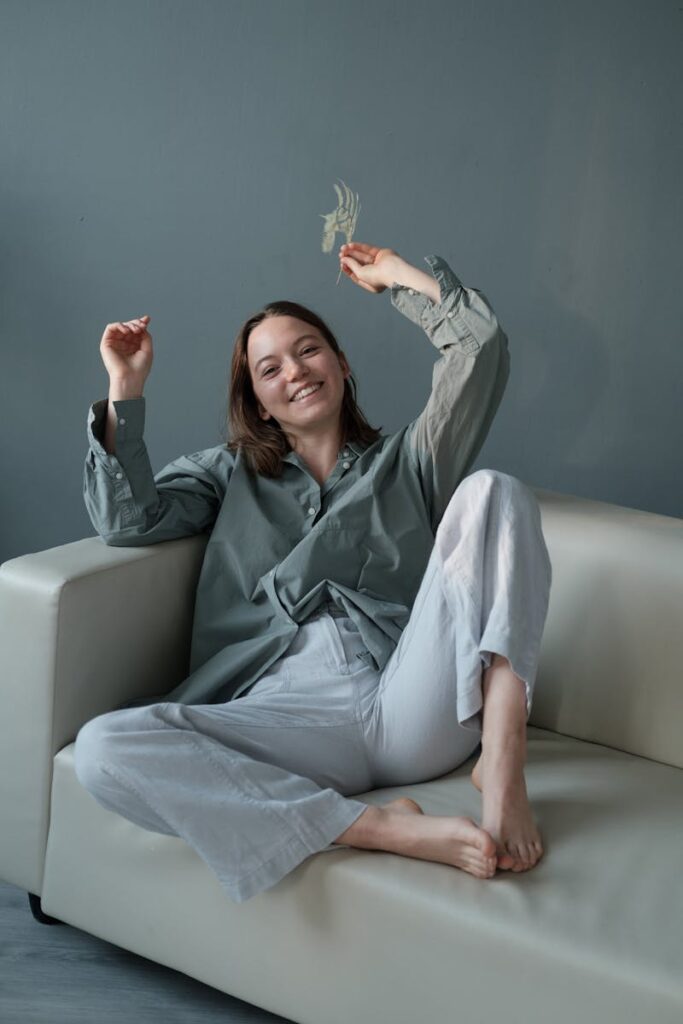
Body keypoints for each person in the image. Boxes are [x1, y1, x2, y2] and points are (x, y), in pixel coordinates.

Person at [75, 242, 553, 903]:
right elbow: (126, 520)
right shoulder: (227, 472)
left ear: (340, 362)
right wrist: (125, 390)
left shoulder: (409, 461)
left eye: (308, 349)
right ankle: (370, 826)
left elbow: (481, 350)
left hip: (411, 695)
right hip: (289, 716)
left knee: (495, 488)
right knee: (102, 748)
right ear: (259, 402)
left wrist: (394, 279)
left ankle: (502, 759)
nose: (295, 371)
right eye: (268, 369)